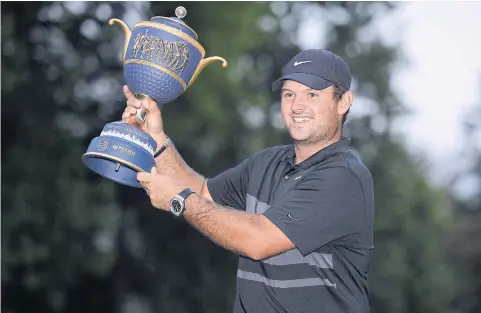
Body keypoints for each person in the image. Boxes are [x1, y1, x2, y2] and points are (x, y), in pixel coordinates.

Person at [122, 49, 374, 313]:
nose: (297, 105)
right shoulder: (266, 162)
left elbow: (257, 241)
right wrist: (156, 138)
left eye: (312, 94)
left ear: (343, 102)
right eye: (289, 94)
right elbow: (201, 192)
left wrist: (179, 200)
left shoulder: (343, 178)